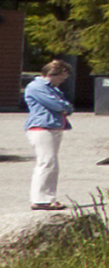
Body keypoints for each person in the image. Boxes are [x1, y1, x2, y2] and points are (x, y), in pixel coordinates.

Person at [22, 59, 73, 209]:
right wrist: (65, 107)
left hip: (54, 127)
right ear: (52, 74)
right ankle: (40, 199)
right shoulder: (37, 87)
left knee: (52, 164)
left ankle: (48, 197)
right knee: (46, 162)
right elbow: (57, 105)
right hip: (41, 128)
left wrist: (66, 107)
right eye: (62, 77)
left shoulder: (53, 88)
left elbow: (67, 107)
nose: (63, 80)